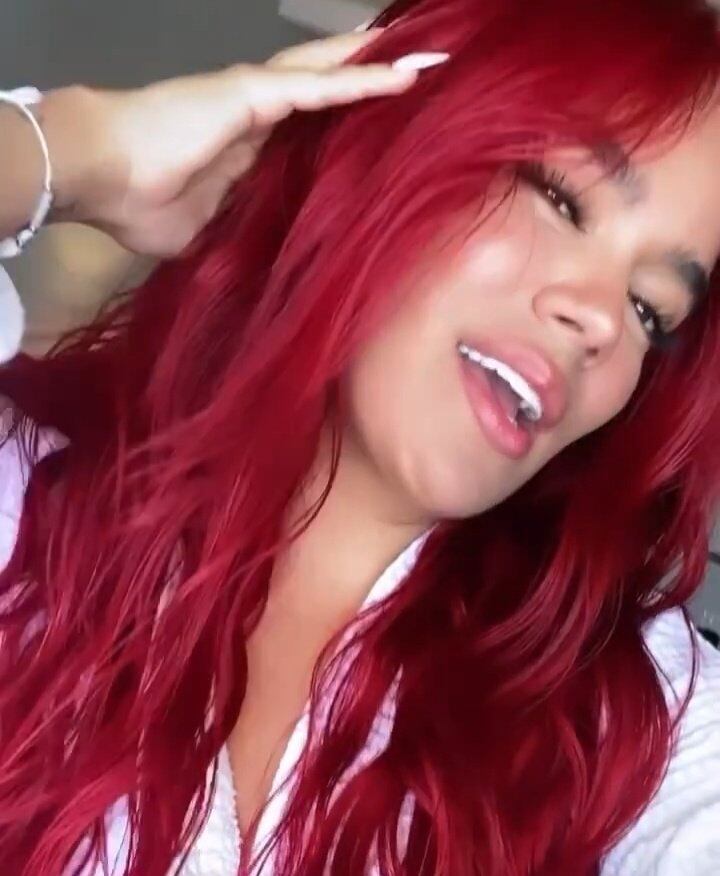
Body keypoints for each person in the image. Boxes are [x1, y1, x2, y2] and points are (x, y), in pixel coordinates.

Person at [0, 1, 719, 873]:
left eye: (651, 309)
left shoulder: (632, 721)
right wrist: (82, 150)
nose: (603, 320)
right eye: (561, 200)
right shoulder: (28, 502)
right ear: (390, 147)